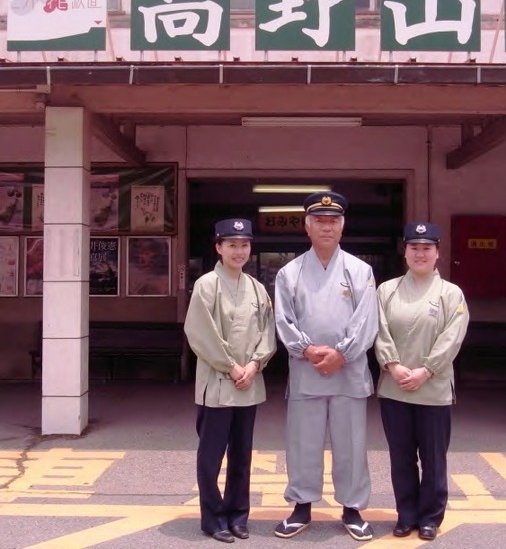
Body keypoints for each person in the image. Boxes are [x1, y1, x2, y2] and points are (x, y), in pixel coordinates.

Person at [273, 192, 378, 541]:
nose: (326, 226)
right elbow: (284, 321)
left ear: (342, 226)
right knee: (303, 443)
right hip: (307, 371)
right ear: (307, 225)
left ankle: (352, 508)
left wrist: (341, 354)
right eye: (319, 220)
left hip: (348, 372)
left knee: (351, 443)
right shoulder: (289, 272)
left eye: (333, 220)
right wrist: (308, 349)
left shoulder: (361, 271)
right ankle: (301, 506)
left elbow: (366, 321)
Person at [375, 222, 469, 542]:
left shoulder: (450, 293)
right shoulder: (386, 290)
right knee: (401, 457)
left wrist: (426, 370)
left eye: (427, 248)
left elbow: (452, 338)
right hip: (394, 387)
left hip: (433, 390)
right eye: (414, 247)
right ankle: (406, 515)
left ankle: (430, 517)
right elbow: (379, 330)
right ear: (405, 251)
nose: (420, 253)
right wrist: (393, 365)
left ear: (437, 253)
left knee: (432, 458)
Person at [184, 218, 276, 544]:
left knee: (242, 455)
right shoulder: (207, 284)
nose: (239, 251)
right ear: (219, 248)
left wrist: (254, 364)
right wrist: (230, 366)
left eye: (244, 245)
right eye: (232, 245)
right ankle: (212, 518)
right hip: (218, 384)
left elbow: (268, 331)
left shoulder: (257, 288)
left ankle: (238, 515)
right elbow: (199, 331)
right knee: (210, 457)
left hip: (248, 384)